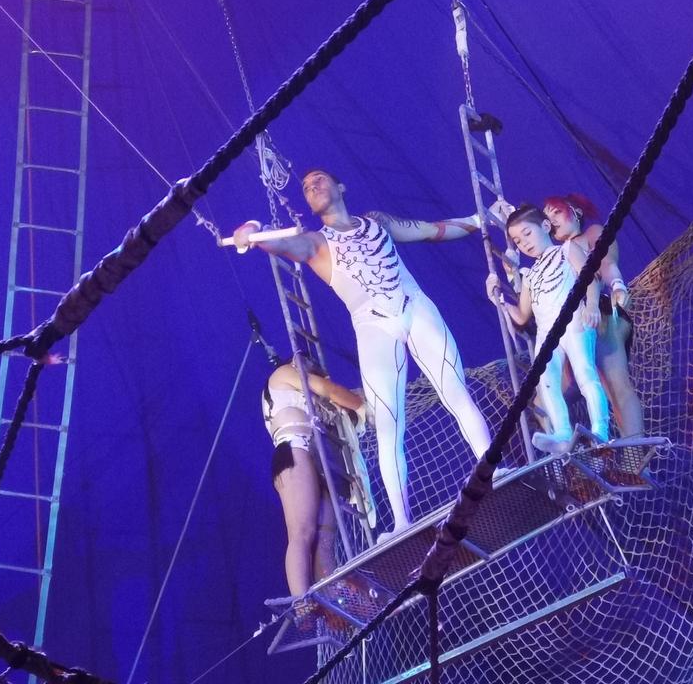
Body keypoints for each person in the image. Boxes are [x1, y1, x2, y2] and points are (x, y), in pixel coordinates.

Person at [234, 168, 493, 539]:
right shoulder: (315, 243)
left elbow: (431, 230)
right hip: (373, 326)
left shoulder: (377, 222)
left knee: (456, 392)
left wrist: (481, 220)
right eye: (306, 187)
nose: (312, 186)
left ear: (340, 186)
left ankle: (492, 470)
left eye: (319, 179)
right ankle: (402, 522)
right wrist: (253, 232)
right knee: (388, 425)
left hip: (416, 307)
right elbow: (280, 244)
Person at [486, 204, 610, 452]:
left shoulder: (567, 249)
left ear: (544, 226)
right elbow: (522, 315)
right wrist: (497, 299)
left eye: (527, 233)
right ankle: (562, 433)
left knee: (585, 373)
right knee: (547, 381)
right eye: (518, 241)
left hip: (573, 318)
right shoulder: (530, 275)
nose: (524, 243)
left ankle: (601, 429)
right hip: (546, 332)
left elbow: (590, 278)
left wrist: (592, 305)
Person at [262, 352, 363, 597]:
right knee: (302, 531)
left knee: (324, 539)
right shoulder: (282, 374)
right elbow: (330, 390)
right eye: (312, 367)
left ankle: (332, 602)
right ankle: (302, 602)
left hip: (319, 457)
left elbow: (334, 401)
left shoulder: (309, 399)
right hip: (295, 449)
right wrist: (360, 404)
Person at [543, 194, 644, 437]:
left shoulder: (590, 234)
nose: (551, 220)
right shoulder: (552, 256)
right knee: (545, 397)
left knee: (616, 386)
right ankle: (566, 450)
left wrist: (617, 285)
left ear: (575, 211)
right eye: (546, 217)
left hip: (599, 314)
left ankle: (635, 453)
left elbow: (606, 263)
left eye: (556, 212)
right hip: (570, 327)